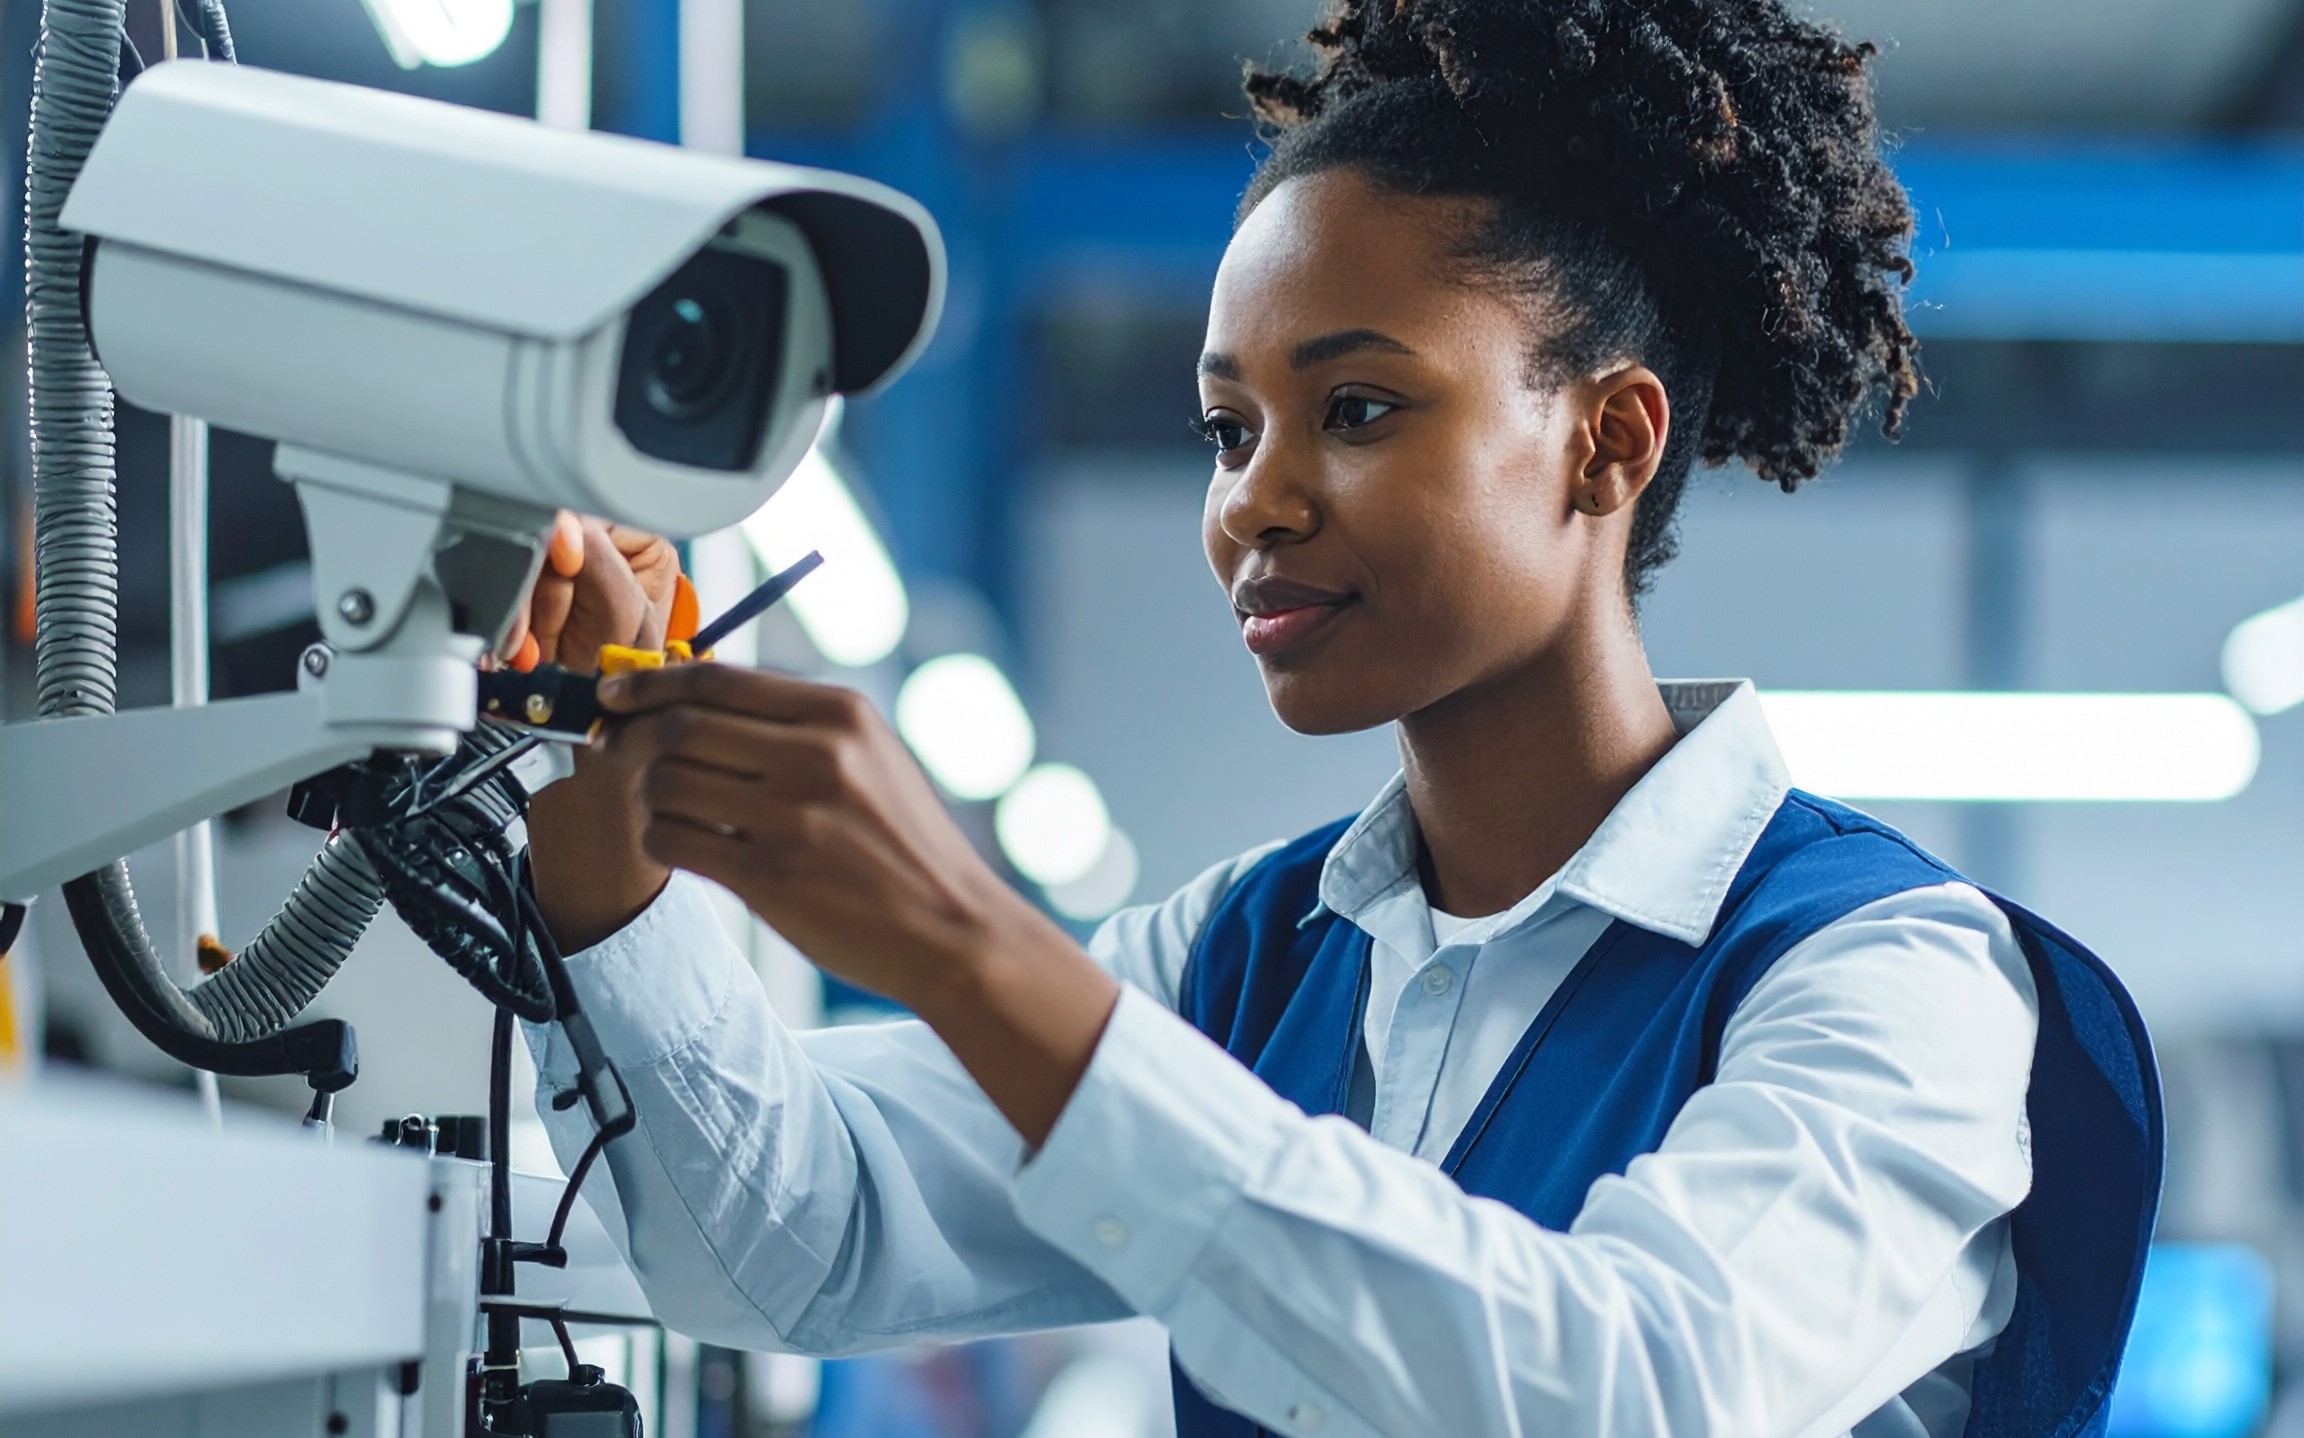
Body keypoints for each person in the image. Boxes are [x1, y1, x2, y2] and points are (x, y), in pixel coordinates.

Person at [514, 2, 2161, 1434]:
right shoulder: (1250, 961)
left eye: (1357, 408)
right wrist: (593, 813)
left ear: (1609, 441)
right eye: (1228, 431)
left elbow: (1631, 1390)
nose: (1257, 506)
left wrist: (965, 941)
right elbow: (790, 1237)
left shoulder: (1888, 979)